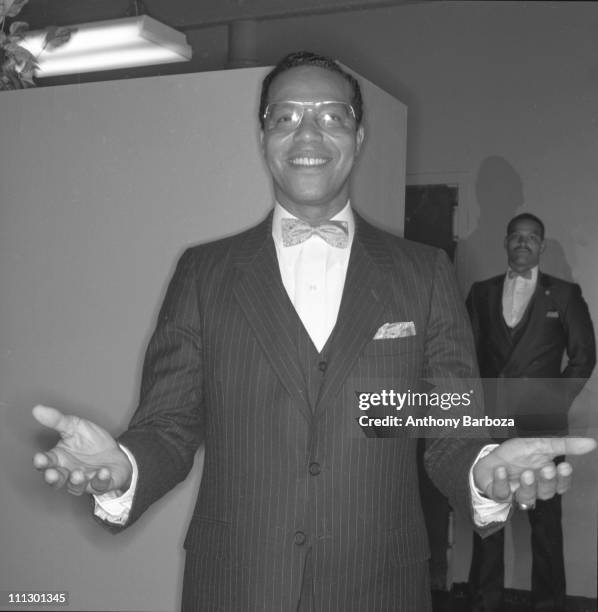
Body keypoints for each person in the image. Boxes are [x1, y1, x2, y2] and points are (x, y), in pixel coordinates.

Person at [32, 52, 595, 612]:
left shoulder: (424, 273)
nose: (308, 133)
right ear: (263, 135)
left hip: (380, 586)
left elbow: (447, 431)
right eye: (286, 116)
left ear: (359, 133)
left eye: (332, 115)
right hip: (236, 584)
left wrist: (481, 470)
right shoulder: (204, 273)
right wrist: (124, 467)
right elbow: (170, 426)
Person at [466, 212, 596, 612]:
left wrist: (554, 401)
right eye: (517, 236)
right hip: (489, 423)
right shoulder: (481, 292)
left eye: (532, 237)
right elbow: (465, 356)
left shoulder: (564, 293)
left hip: (542, 425)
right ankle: (483, 601)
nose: (524, 243)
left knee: (544, 523)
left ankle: (549, 604)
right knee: (487, 517)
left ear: (542, 245)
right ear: (506, 242)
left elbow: (584, 355)